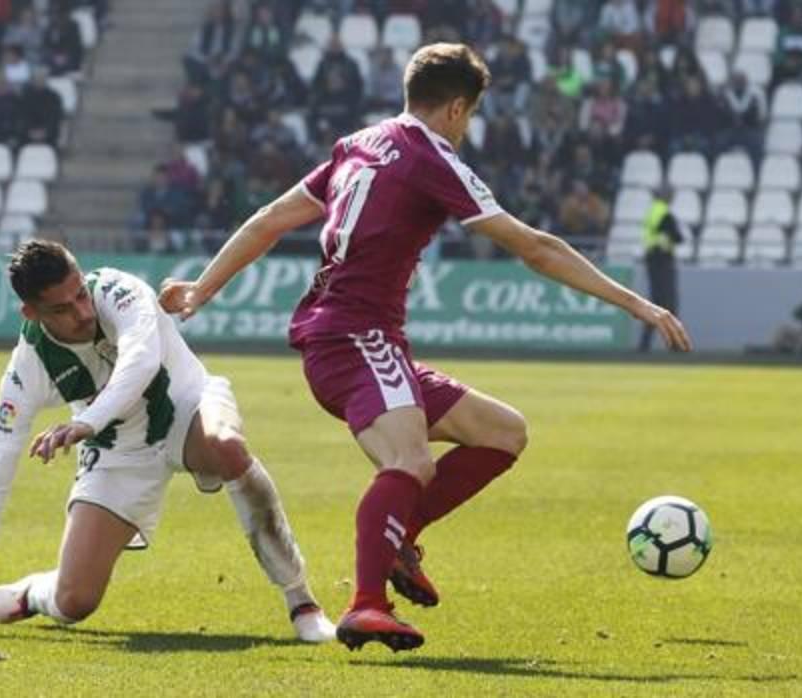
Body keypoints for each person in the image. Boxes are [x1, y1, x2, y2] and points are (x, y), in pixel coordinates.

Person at [159, 43, 692, 653]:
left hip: (349, 335)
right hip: (355, 335)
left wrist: (204, 287)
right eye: (470, 116)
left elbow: (269, 220)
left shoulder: (359, 142)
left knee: (502, 432)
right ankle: (365, 605)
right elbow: (536, 247)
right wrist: (638, 304)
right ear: (457, 109)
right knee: (409, 463)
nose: (467, 129)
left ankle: (396, 540)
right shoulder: (431, 158)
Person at [0, 240, 334, 643]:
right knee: (74, 601)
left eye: (80, 293)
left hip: (186, 404)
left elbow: (141, 360)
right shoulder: (27, 369)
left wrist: (87, 422)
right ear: (32, 312)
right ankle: (29, 595)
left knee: (225, 445)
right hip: (118, 449)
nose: (82, 312)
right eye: (62, 308)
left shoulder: (118, 289)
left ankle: (302, 602)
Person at [639, 185, 685, 352]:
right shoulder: (665, 213)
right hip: (663, 260)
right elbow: (678, 237)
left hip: (652, 259)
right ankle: (676, 345)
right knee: (669, 302)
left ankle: (644, 345)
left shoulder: (652, 211)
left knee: (656, 301)